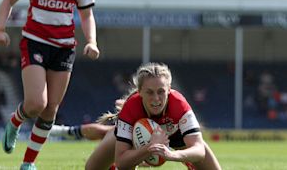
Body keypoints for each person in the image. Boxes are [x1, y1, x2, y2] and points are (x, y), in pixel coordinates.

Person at [0, 0, 99, 169]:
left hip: (64, 47)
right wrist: (0, 30)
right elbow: (8, 1)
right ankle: (16, 121)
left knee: (51, 108)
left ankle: (28, 164)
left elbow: (87, 13)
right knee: (35, 104)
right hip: (35, 43)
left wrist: (92, 41)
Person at [85, 62, 222, 170]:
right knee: (92, 168)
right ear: (140, 92)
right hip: (136, 137)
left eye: (161, 92)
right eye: (150, 92)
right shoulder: (131, 107)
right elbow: (121, 162)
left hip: (176, 136)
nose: (156, 99)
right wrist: (150, 147)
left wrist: (172, 155)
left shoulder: (179, 104)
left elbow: (199, 150)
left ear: (169, 90)